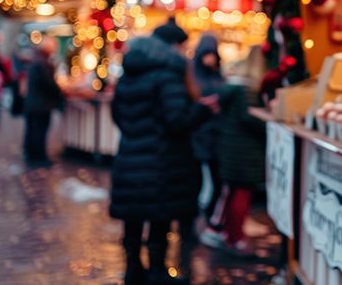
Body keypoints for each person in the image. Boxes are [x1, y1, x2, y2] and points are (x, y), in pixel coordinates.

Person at [109, 19, 213, 285]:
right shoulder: (169, 75)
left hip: (130, 156)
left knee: (133, 217)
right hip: (162, 160)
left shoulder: (128, 73)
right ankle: (156, 272)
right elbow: (177, 121)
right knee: (159, 217)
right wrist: (202, 109)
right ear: (174, 46)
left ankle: (133, 269)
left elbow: (117, 115)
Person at [215, 46, 267, 255]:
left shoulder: (232, 87)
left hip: (232, 149)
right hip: (245, 150)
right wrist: (267, 123)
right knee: (242, 194)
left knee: (233, 192)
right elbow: (248, 118)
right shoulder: (248, 90)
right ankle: (235, 237)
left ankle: (229, 234)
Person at [190, 35, 226, 249]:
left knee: (217, 182)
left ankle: (211, 221)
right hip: (199, 135)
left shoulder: (217, 74)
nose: (210, 58)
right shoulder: (192, 75)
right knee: (197, 182)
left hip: (215, 136)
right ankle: (194, 224)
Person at [24, 36, 64, 164]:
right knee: (39, 131)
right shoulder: (43, 63)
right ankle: (39, 157)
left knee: (33, 130)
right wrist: (59, 91)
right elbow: (49, 84)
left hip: (34, 103)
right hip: (40, 104)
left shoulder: (37, 60)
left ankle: (31, 154)